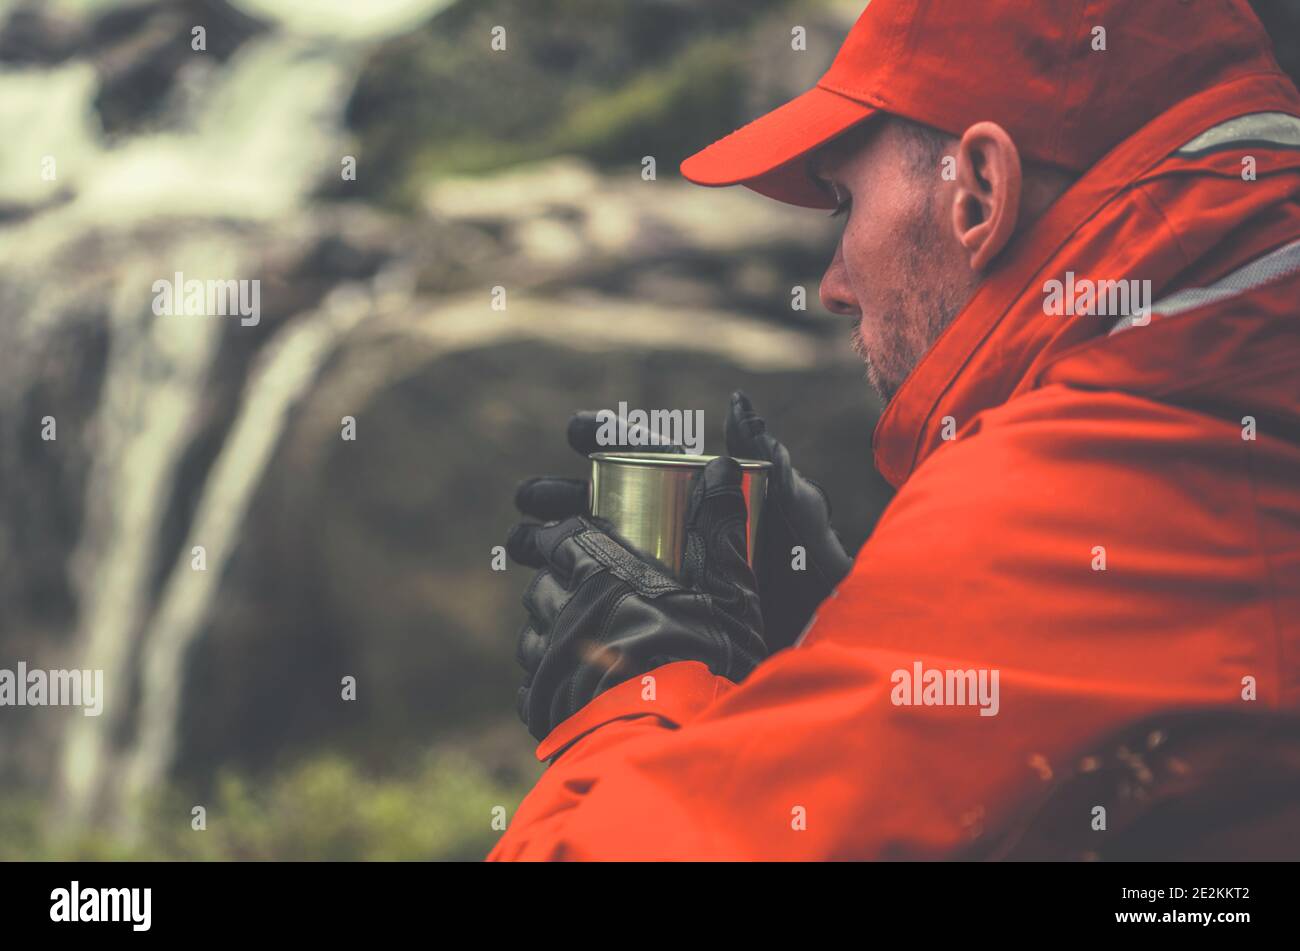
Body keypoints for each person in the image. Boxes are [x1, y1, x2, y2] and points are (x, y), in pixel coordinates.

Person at [490, 0, 1300, 860]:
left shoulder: (1077, 497)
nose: (834, 284)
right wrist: (839, 622)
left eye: (842, 204)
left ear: (979, 192)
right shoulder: (1227, 387)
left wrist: (634, 695)